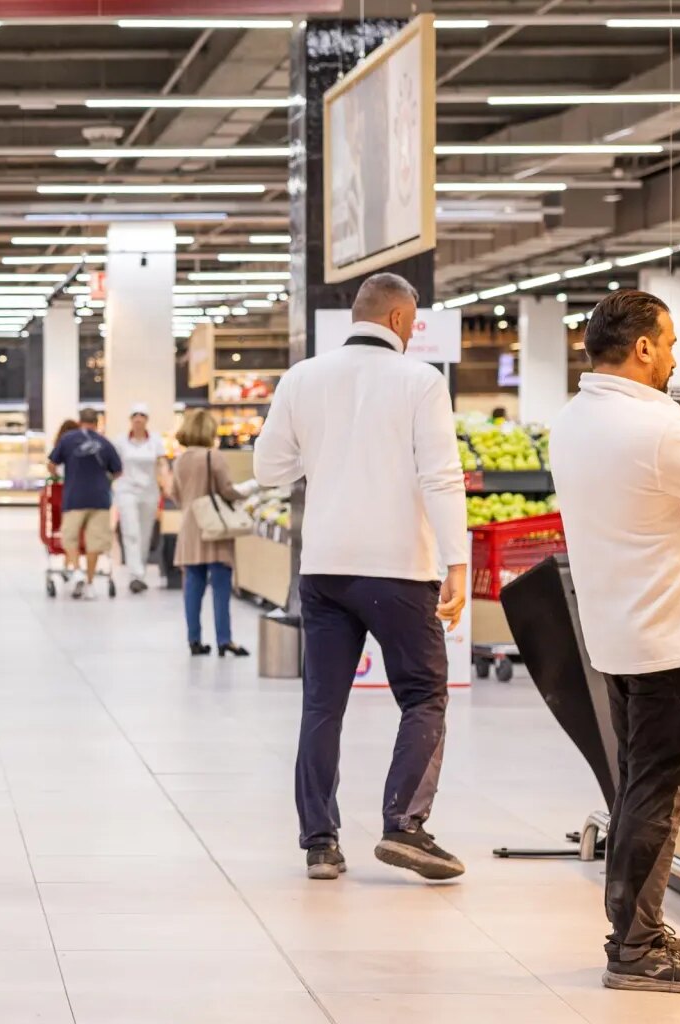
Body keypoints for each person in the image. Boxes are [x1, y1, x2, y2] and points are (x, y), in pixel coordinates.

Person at [255, 272, 469, 883]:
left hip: (323, 567)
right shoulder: (420, 381)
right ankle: (404, 824)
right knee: (423, 696)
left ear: (358, 315)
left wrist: (324, 458)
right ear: (403, 320)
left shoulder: (302, 377)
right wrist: (458, 561)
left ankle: (320, 842)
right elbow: (441, 477)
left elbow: (270, 468)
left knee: (322, 705)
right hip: (399, 569)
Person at [549, 288, 680, 995]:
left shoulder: (574, 422)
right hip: (677, 645)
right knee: (658, 798)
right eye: (674, 342)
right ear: (645, 347)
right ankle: (635, 946)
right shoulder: (661, 430)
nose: (677, 356)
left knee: (638, 792)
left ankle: (636, 933)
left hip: (621, 638)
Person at [168, 408, 248, 658]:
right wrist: (246, 492)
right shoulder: (214, 456)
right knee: (221, 585)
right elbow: (226, 489)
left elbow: (174, 494)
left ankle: (194, 639)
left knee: (193, 586)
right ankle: (224, 640)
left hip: (191, 527)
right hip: (215, 527)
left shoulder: (180, 460)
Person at [47, 407, 123, 599]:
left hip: (74, 497)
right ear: (97, 424)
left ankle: (76, 569)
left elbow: (51, 464)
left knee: (70, 537)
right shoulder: (105, 443)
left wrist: (59, 476)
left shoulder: (67, 439)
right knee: (94, 542)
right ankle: (89, 583)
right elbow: (118, 470)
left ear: (80, 421)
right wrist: (106, 480)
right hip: (100, 499)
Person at [112, 403, 168, 594]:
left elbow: (162, 463)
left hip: (149, 491)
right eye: (135, 415)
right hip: (126, 490)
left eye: (142, 415)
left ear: (147, 419)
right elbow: (113, 466)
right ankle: (135, 574)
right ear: (130, 419)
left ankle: (140, 571)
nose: (138, 419)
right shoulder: (120, 442)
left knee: (145, 533)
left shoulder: (155, 441)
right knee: (131, 531)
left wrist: (165, 483)